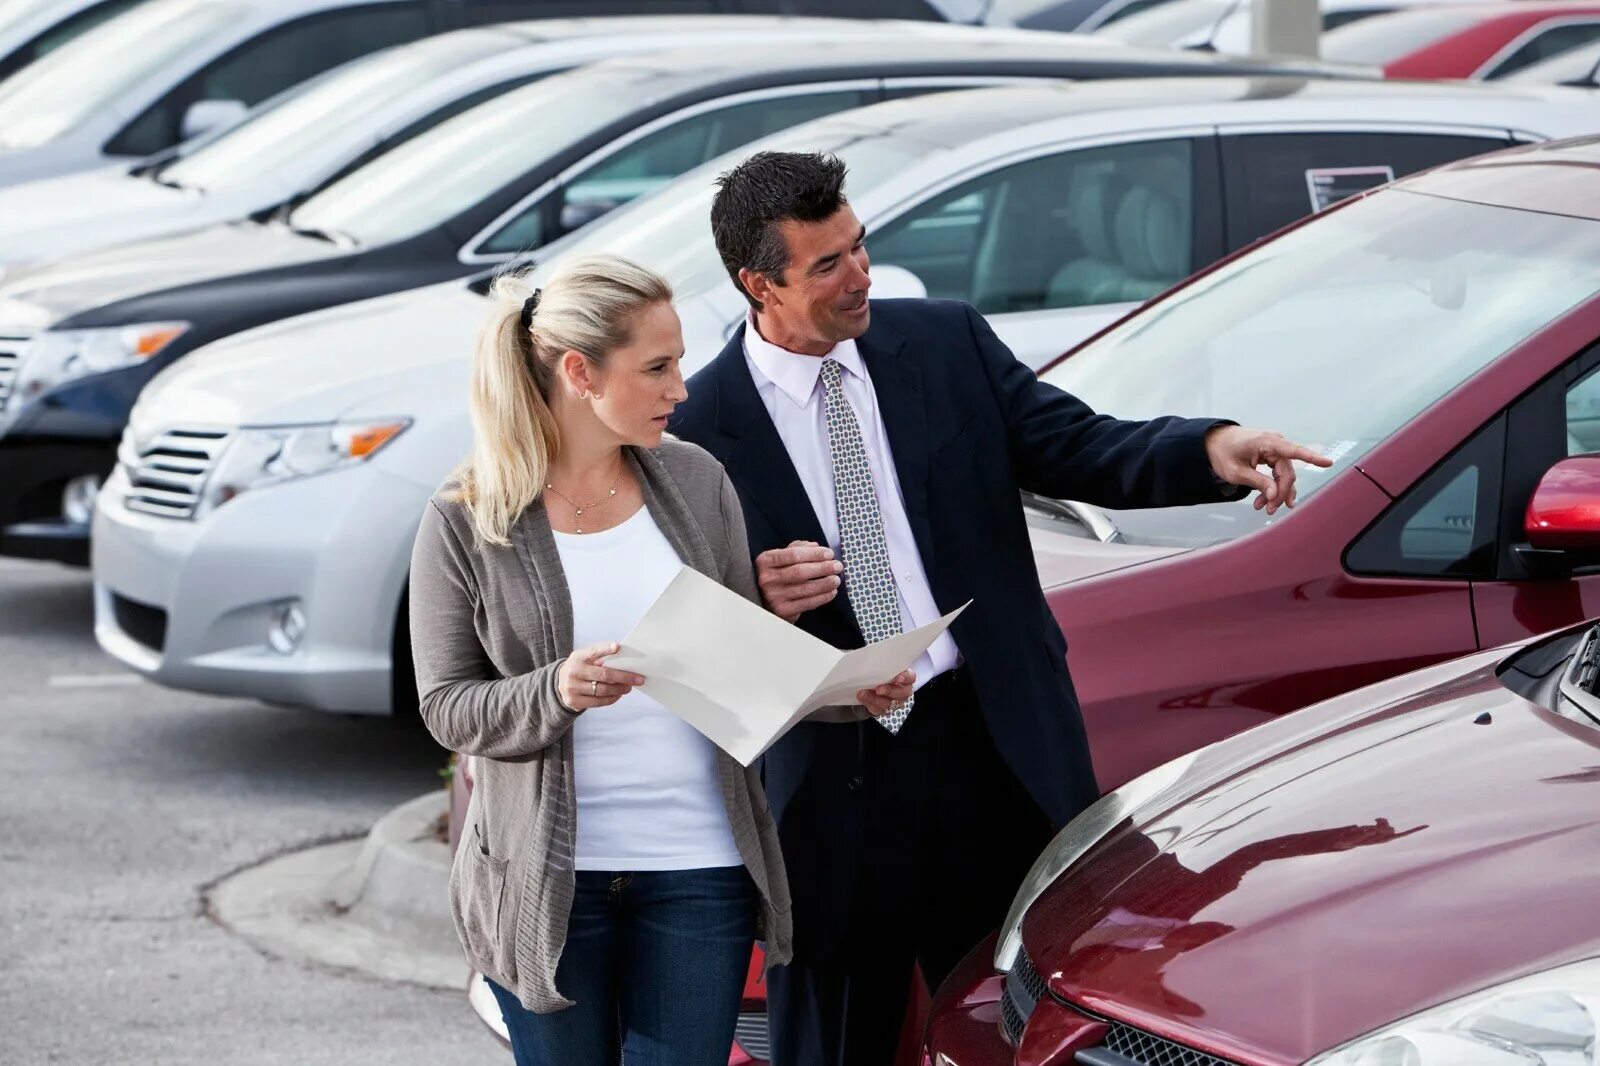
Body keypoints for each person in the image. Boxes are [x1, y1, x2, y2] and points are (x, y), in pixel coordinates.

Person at [668, 152, 1332, 1066]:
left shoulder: (944, 343)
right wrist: (753, 590)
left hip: (988, 749)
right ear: (760, 284)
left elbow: (1079, 446)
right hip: (832, 780)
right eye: (827, 265)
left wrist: (1211, 445)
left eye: (859, 247)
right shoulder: (697, 427)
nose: (859, 275)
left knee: (1007, 1027)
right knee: (829, 1041)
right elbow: (678, 628)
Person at [407, 253, 917, 1066]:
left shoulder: (695, 481)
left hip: (698, 867)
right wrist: (559, 691)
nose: (681, 387)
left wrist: (846, 692)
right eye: (657, 367)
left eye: (677, 361)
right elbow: (447, 706)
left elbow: (733, 667)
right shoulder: (468, 518)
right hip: (547, 883)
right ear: (580, 372)